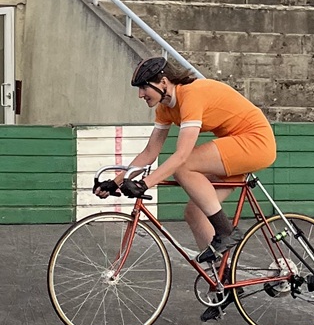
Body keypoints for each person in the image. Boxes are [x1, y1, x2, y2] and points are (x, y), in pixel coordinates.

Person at [107, 58, 277, 261]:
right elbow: (150, 152)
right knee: (195, 212)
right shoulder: (165, 108)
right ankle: (222, 275)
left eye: (144, 87)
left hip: (256, 142)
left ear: (163, 82)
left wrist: (145, 184)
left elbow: (182, 155)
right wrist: (115, 182)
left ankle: (225, 230)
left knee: (183, 166)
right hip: (235, 146)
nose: (140, 94)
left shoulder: (191, 94)